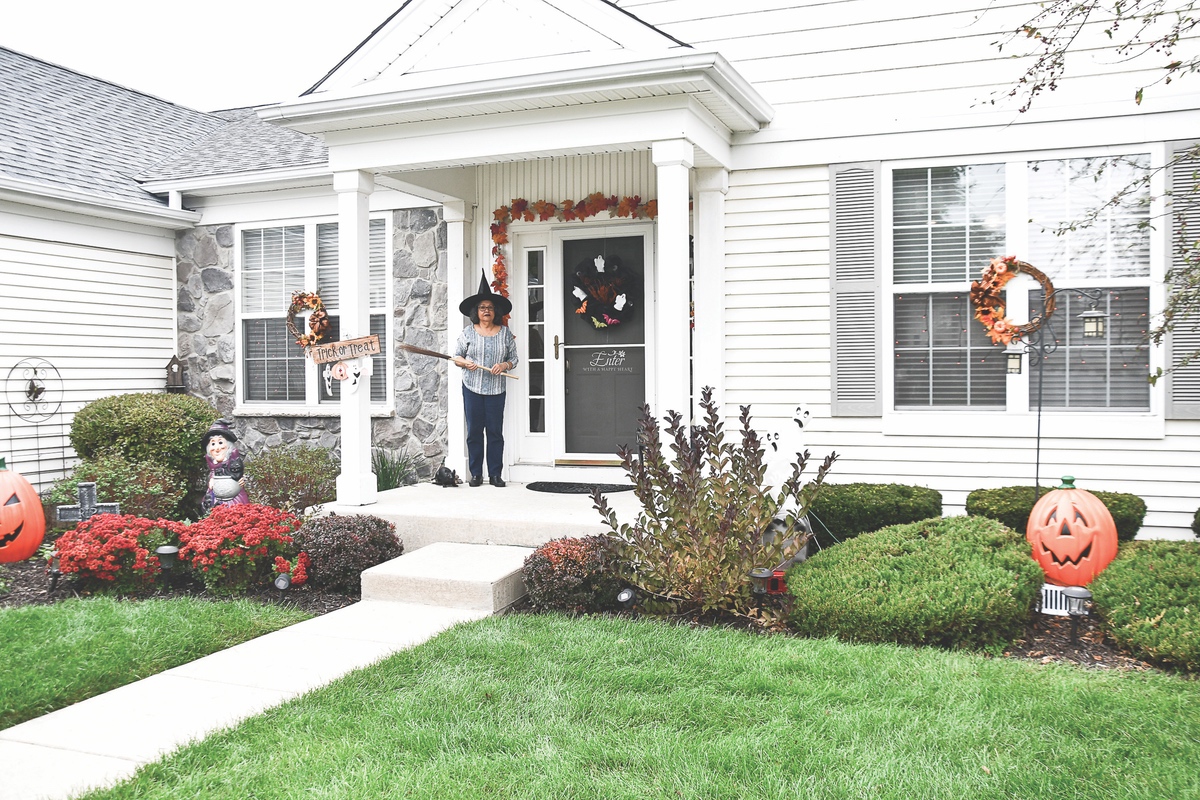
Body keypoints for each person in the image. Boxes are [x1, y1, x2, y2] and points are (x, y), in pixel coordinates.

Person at [453, 271, 518, 487]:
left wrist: (504, 365)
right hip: (472, 387)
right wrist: (465, 363)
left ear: (495, 311)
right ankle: (476, 474)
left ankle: (496, 475)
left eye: (490, 308)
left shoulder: (505, 333)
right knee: (474, 432)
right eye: (482, 308)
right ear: (476, 312)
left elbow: (514, 359)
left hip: (496, 390)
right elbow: (457, 357)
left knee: (494, 432)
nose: (486, 311)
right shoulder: (468, 333)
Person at [202, 419, 249, 513]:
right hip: (217, 497)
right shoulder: (212, 462)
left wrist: (242, 478)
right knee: (211, 510)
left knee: (238, 513)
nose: (217, 448)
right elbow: (212, 472)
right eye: (213, 444)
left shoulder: (233, 460)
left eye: (220, 443)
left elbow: (238, 472)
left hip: (235, 498)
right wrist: (211, 479)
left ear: (228, 446)